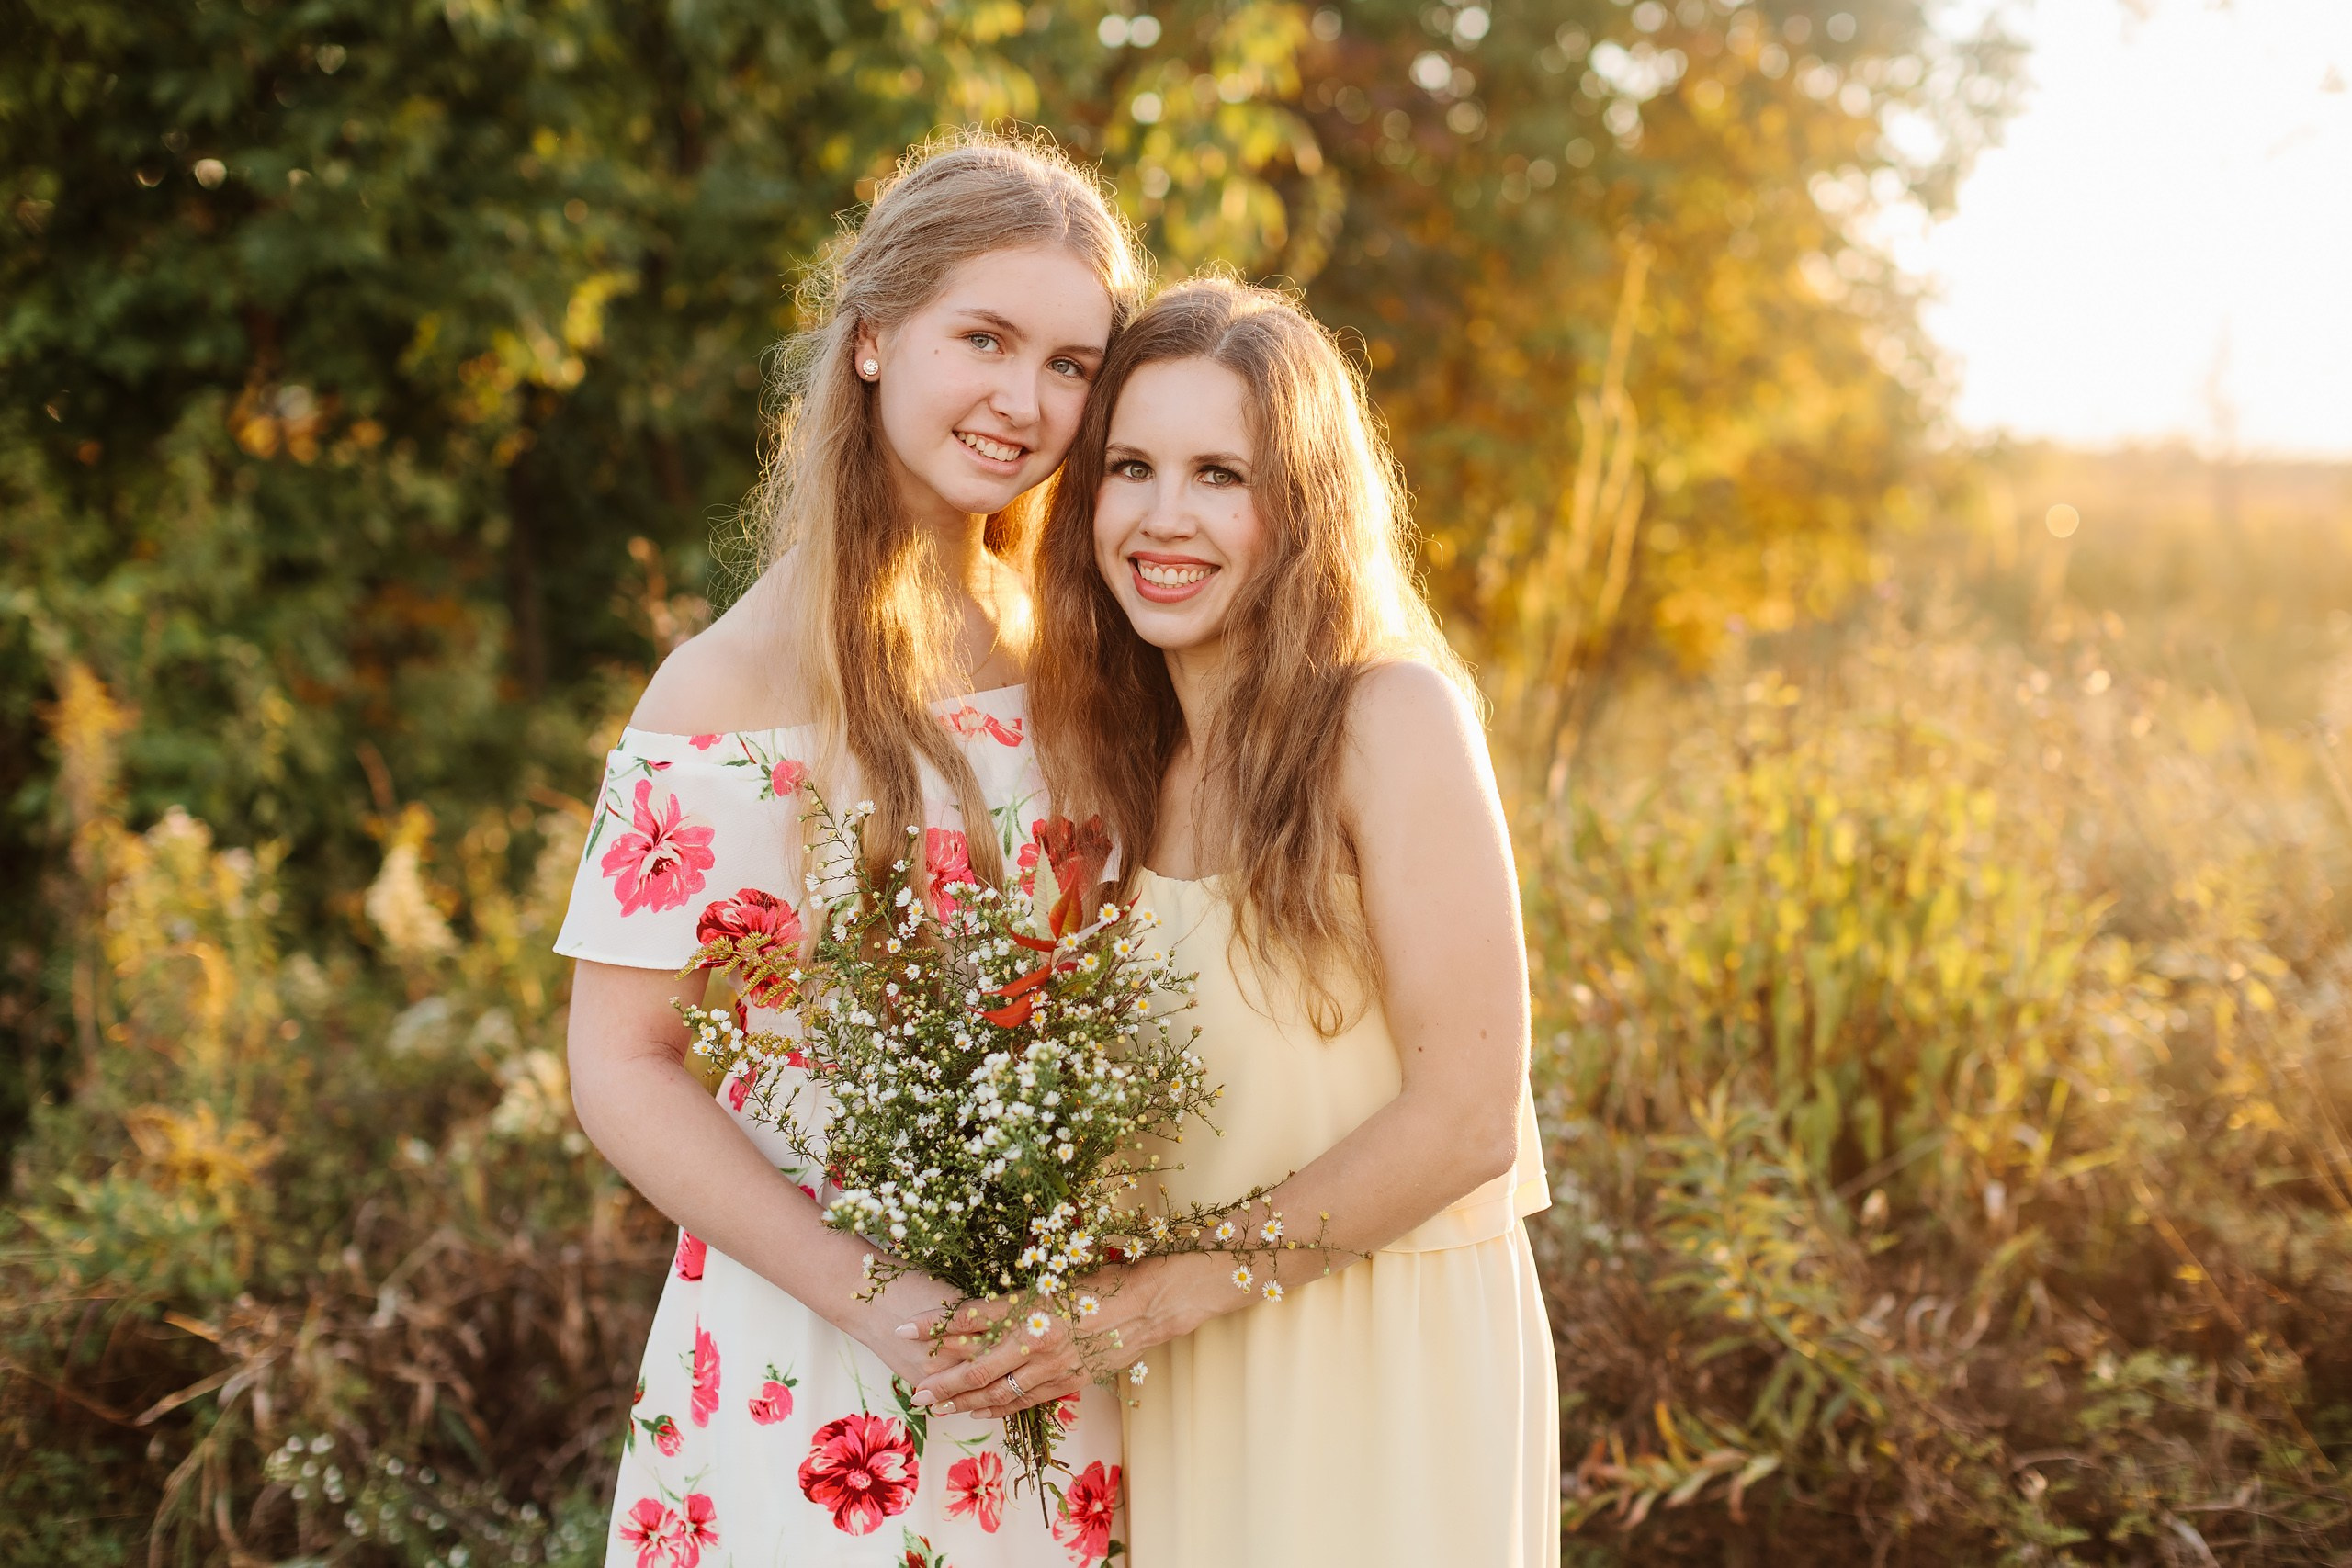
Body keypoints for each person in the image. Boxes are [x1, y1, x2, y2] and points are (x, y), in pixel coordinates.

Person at [556, 131, 1145, 1567]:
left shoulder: (1075, 654)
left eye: (1071, 365)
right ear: (874, 338)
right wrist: (879, 1296)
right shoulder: (727, 686)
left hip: (1052, 1356)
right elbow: (621, 1062)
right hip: (815, 1358)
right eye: (985, 339)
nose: (1024, 401)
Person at [907, 278, 1559, 1566]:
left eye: (1220, 475)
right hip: (1183, 1387)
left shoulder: (1388, 718)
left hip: (1381, 1371)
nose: (1163, 519)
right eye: (1131, 468)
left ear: (1302, 509)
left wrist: (1145, 1307)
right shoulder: (1118, 767)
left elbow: (1469, 1114)